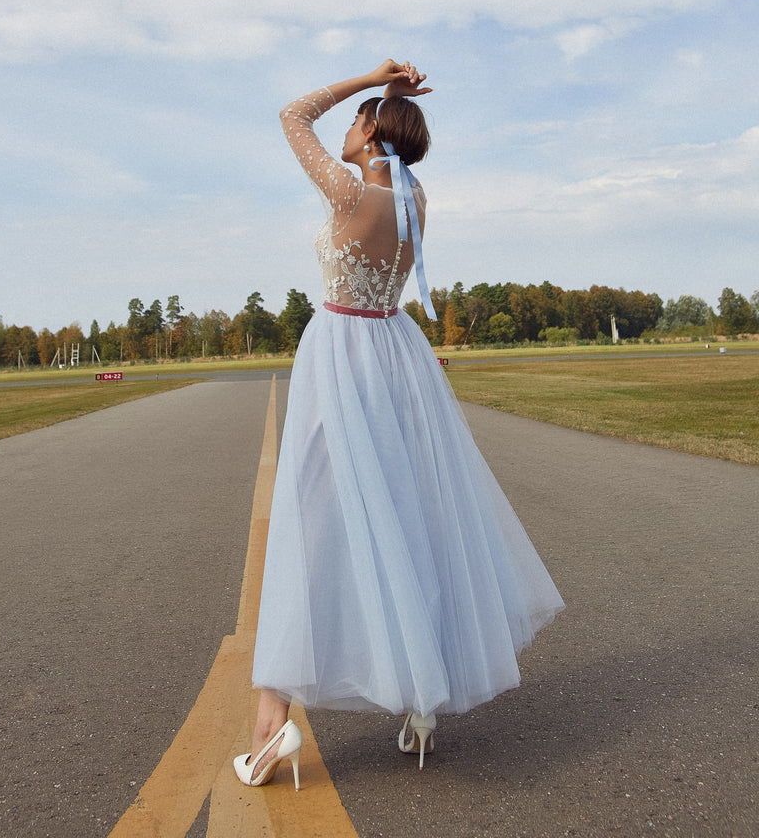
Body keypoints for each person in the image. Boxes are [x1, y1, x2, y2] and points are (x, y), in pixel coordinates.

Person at [233, 59, 564, 790]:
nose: (344, 130)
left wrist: (368, 82)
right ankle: (422, 705)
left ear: (369, 135)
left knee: (312, 519)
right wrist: (387, 104)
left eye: (355, 124)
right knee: (413, 511)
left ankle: (269, 724)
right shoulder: (417, 198)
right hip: (397, 351)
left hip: (343, 353)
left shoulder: (350, 189)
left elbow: (292, 115)